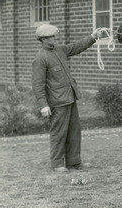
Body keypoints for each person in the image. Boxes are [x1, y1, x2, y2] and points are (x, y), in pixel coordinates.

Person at [32, 24, 102, 172]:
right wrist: (43, 105)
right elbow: (38, 84)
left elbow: (76, 46)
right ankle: (57, 164)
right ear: (43, 39)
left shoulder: (60, 50)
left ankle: (74, 162)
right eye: (51, 36)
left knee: (74, 131)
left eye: (54, 35)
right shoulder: (40, 58)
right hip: (57, 103)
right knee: (59, 133)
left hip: (70, 98)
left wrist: (92, 37)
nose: (54, 38)